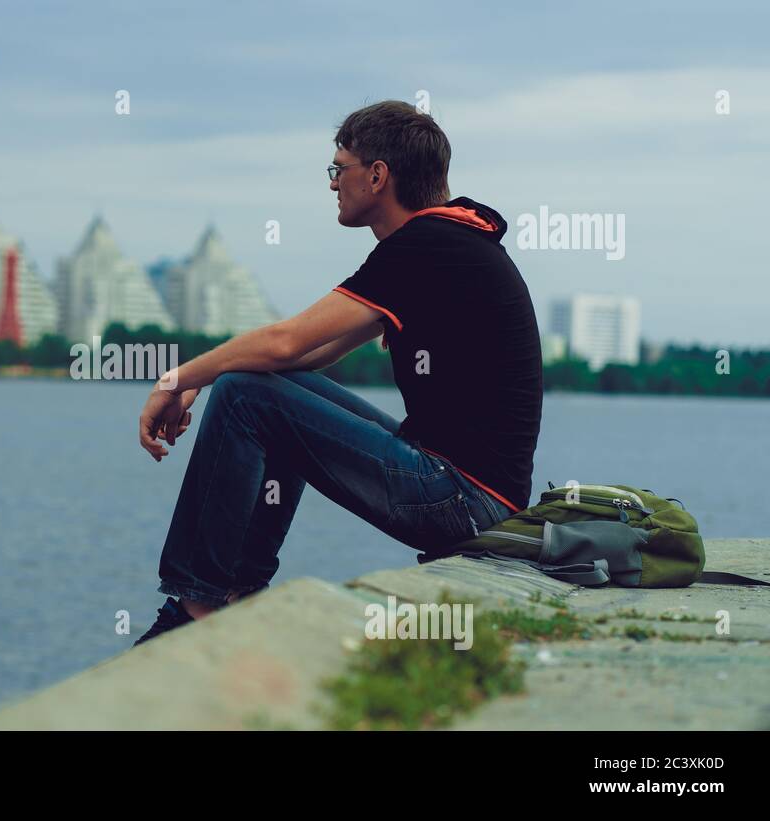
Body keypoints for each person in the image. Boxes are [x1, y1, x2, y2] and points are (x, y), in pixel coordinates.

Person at [133, 100, 543, 646]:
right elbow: (304, 357)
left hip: (462, 500)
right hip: (471, 495)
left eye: (338, 169)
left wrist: (176, 380)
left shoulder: (427, 246)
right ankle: (235, 592)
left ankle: (197, 605)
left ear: (377, 176)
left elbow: (284, 341)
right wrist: (203, 377)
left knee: (244, 395)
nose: (332, 184)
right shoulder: (445, 241)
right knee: (264, 389)